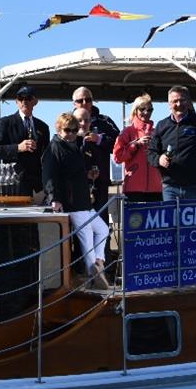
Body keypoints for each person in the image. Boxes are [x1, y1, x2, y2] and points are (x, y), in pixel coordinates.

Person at [42, 114, 111, 289]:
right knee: (86, 234)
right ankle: (92, 274)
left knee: (103, 229)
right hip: (71, 201)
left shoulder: (72, 146)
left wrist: (88, 175)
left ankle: (97, 264)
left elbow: (74, 172)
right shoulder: (54, 148)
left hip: (82, 200)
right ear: (59, 129)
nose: (72, 134)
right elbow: (49, 175)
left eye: (74, 130)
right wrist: (54, 199)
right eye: (67, 130)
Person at [148, 86, 196, 200]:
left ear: (188, 101)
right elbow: (151, 152)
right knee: (171, 218)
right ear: (169, 104)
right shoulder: (161, 126)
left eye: (182, 100)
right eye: (174, 101)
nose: (178, 104)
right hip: (170, 188)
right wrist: (159, 159)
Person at [0, 85, 50, 197]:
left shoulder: (43, 127)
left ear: (35, 101)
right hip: (14, 185)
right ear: (16, 101)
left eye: (28, 98)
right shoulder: (6, 123)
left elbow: (46, 156)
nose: (24, 102)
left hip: (38, 186)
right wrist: (18, 148)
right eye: (21, 99)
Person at [72, 87, 119, 221]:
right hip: (75, 184)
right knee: (78, 226)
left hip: (100, 182)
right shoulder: (67, 121)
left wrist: (99, 139)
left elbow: (119, 145)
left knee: (101, 225)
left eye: (88, 99)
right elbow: (60, 146)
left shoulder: (105, 121)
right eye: (80, 100)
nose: (85, 102)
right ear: (74, 103)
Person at [112, 95, 163, 202]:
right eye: (142, 109)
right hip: (133, 188)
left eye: (150, 110)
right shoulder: (127, 132)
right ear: (135, 110)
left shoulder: (157, 132)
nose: (146, 112)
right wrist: (135, 144)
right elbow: (117, 157)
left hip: (156, 188)